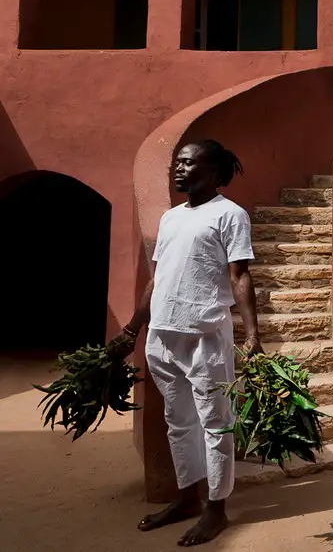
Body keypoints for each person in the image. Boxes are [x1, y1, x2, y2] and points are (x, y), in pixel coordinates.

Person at [108, 140, 261, 546]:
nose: (178, 168)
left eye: (189, 163)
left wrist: (253, 335)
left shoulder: (230, 215)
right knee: (178, 422)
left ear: (213, 172)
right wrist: (132, 330)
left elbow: (240, 275)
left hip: (205, 336)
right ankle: (186, 498)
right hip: (162, 335)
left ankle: (216, 509)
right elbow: (157, 279)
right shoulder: (171, 218)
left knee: (215, 424)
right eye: (177, 162)